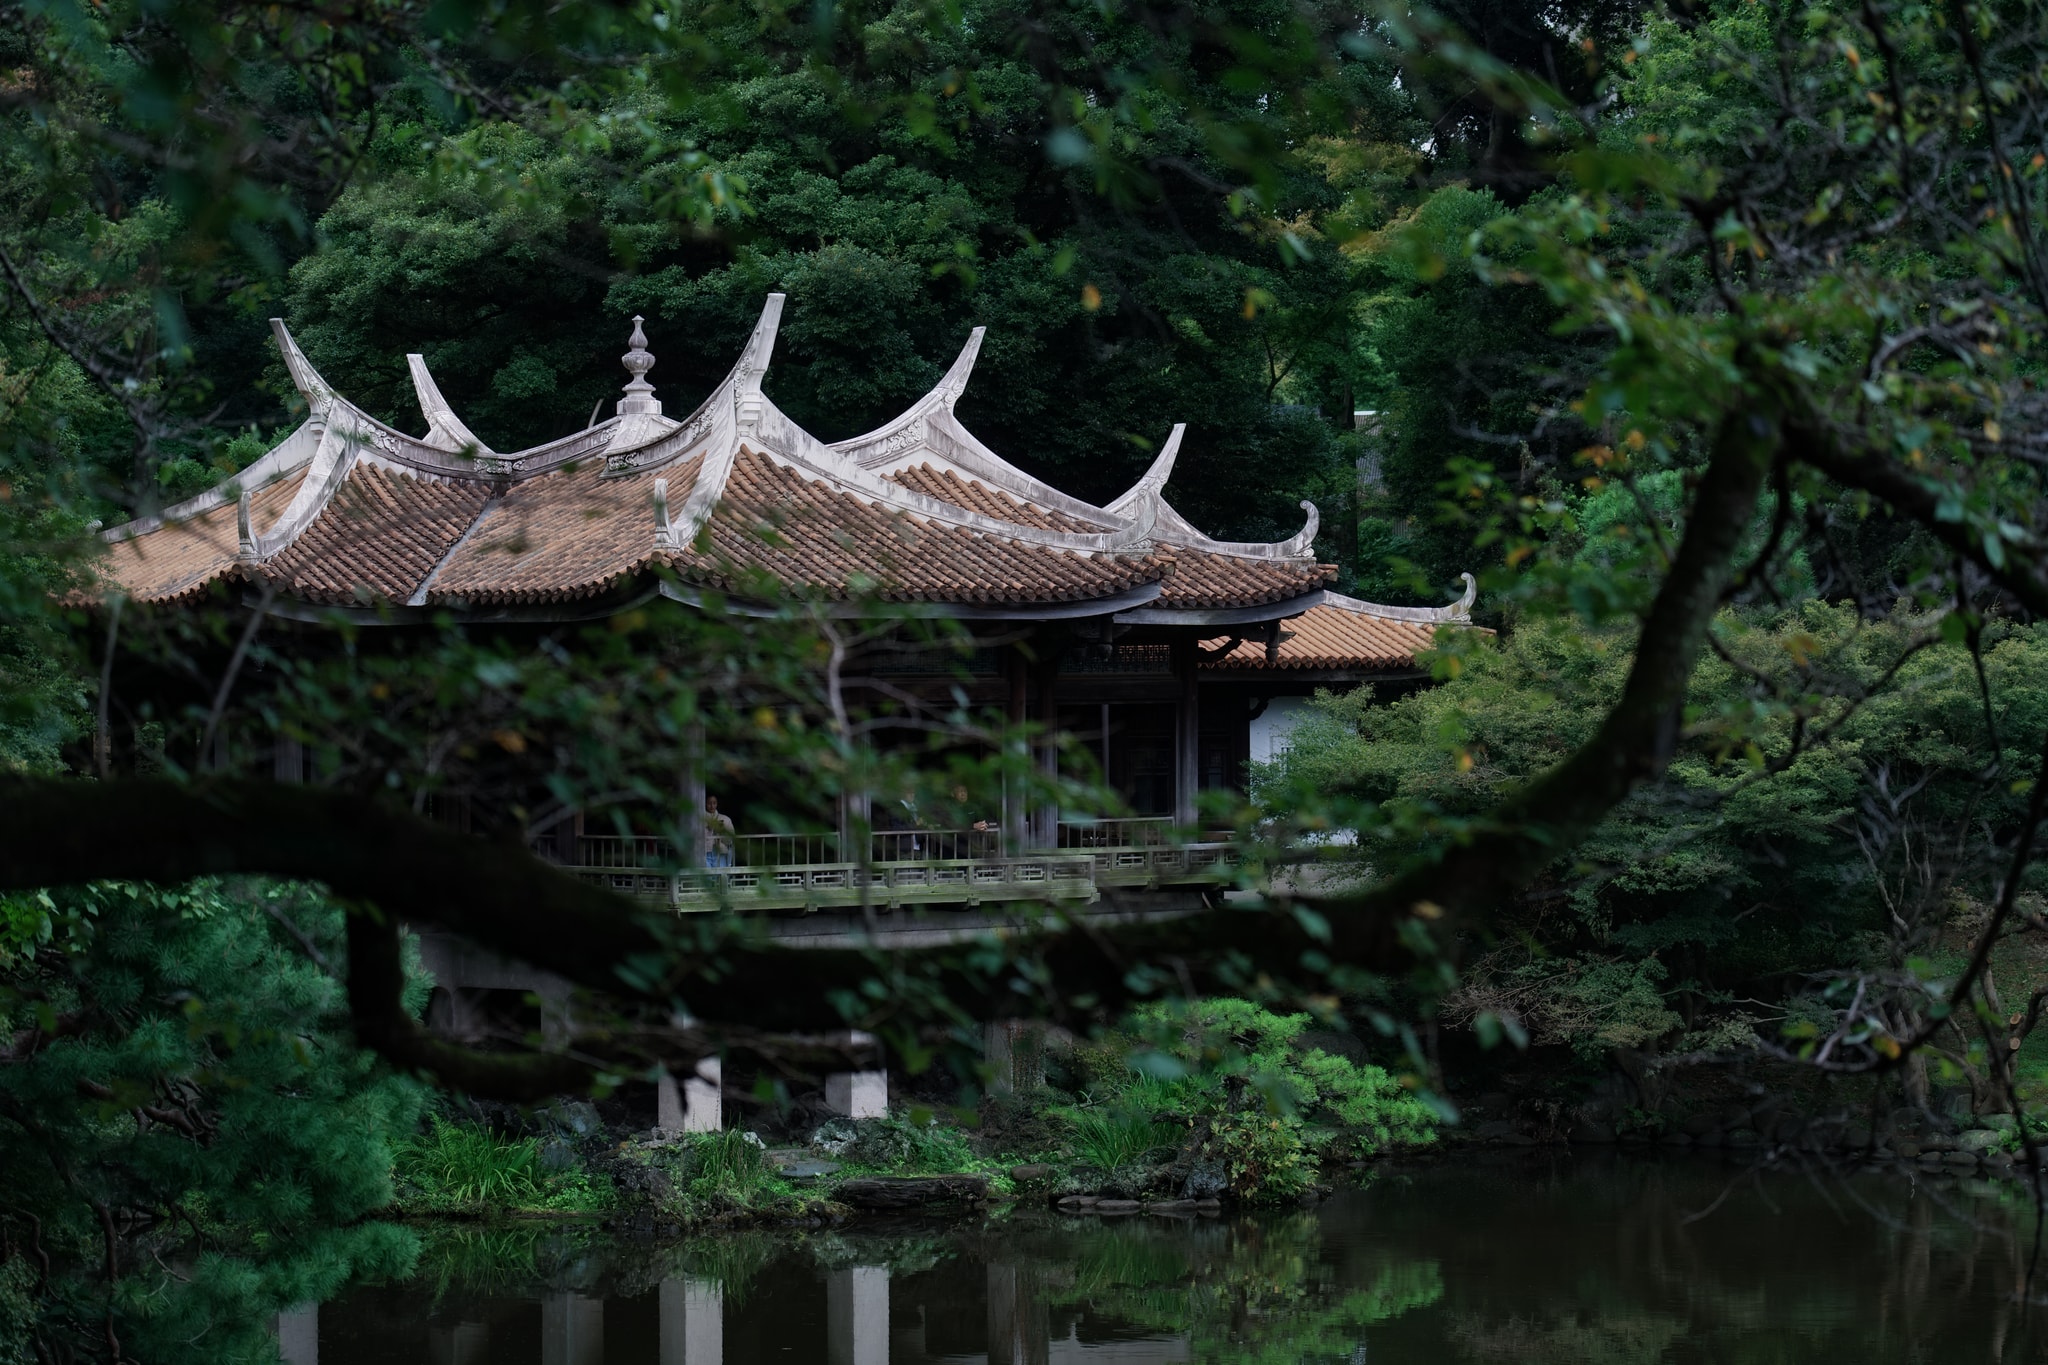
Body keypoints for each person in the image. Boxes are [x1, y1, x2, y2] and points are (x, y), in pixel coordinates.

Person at [703, 795, 735, 868]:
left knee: (721, 877)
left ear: (717, 804)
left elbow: (731, 840)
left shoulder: (726, 819)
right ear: (705, 804)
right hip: (705, 852)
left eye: (714, 803)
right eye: (709, 803)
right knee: (707, 877)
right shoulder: (700, 820)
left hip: (720, 852)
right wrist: (708, 828)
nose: (712, 806)